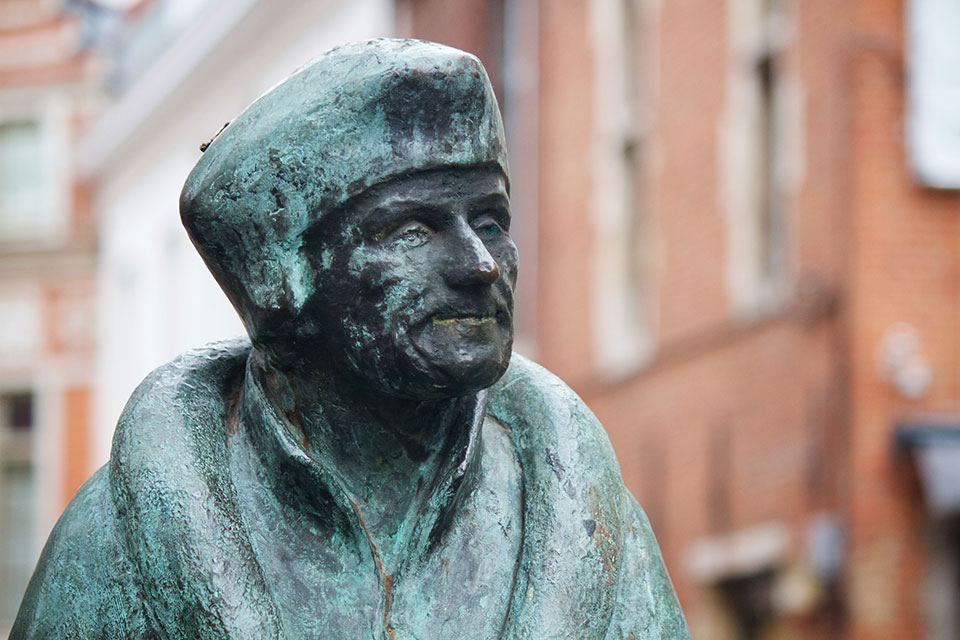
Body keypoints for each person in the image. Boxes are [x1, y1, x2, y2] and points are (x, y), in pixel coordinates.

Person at [12, 39, 689, 639]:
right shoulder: (113, 546)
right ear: (289, 281)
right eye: (413, 232)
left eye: (489, 221)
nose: (481, 265)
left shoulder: (594, 531)